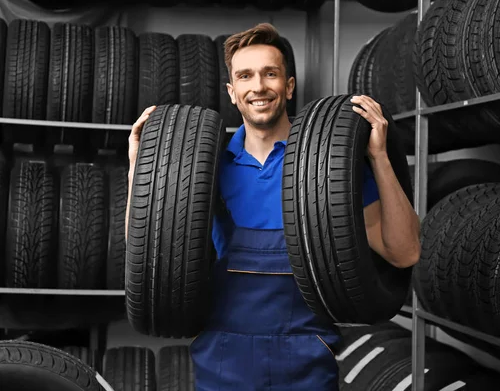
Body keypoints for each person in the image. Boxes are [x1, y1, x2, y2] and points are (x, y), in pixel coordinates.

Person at [127, 23, 420, 391]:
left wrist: (378, 156)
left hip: (305, 362)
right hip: (223, 360)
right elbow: (145, 253)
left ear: (289, 86)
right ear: (233, 93)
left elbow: (404, 252)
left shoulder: (329, 170)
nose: (259, 87)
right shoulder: (204, 171)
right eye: (245, 76)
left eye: (271, 73)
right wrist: (141, 171)